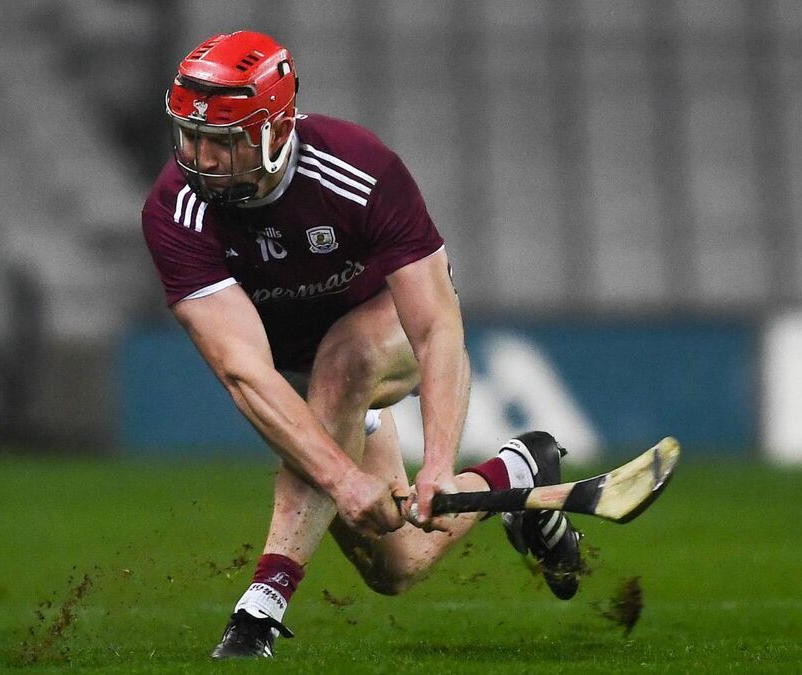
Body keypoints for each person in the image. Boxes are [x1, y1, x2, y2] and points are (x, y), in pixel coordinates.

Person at [140, 30, 584, 659]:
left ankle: (260, 608)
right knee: (395, 566)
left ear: (276, 130)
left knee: (345, 361)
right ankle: (518, 468)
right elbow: (245, 373)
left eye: (224, 141)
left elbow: (437, 328)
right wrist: (346, 480)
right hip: (295, 375)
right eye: (191, 136)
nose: (201, 158)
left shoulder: (361, 169)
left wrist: (437, 463)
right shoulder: (174, 211)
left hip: (383, 330)